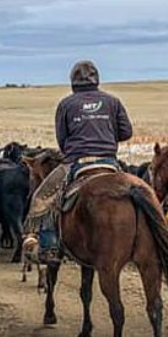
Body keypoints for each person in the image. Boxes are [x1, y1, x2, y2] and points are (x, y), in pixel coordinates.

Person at [24, 60, 133, 258]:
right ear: (96, 79)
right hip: (109, 162)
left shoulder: (66, 104)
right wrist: (106, 134)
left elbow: (62, 140)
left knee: (42, 198)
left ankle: (49, 247)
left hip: (76, 162)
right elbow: (126, 132)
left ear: (73, 81)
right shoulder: (113, 101)